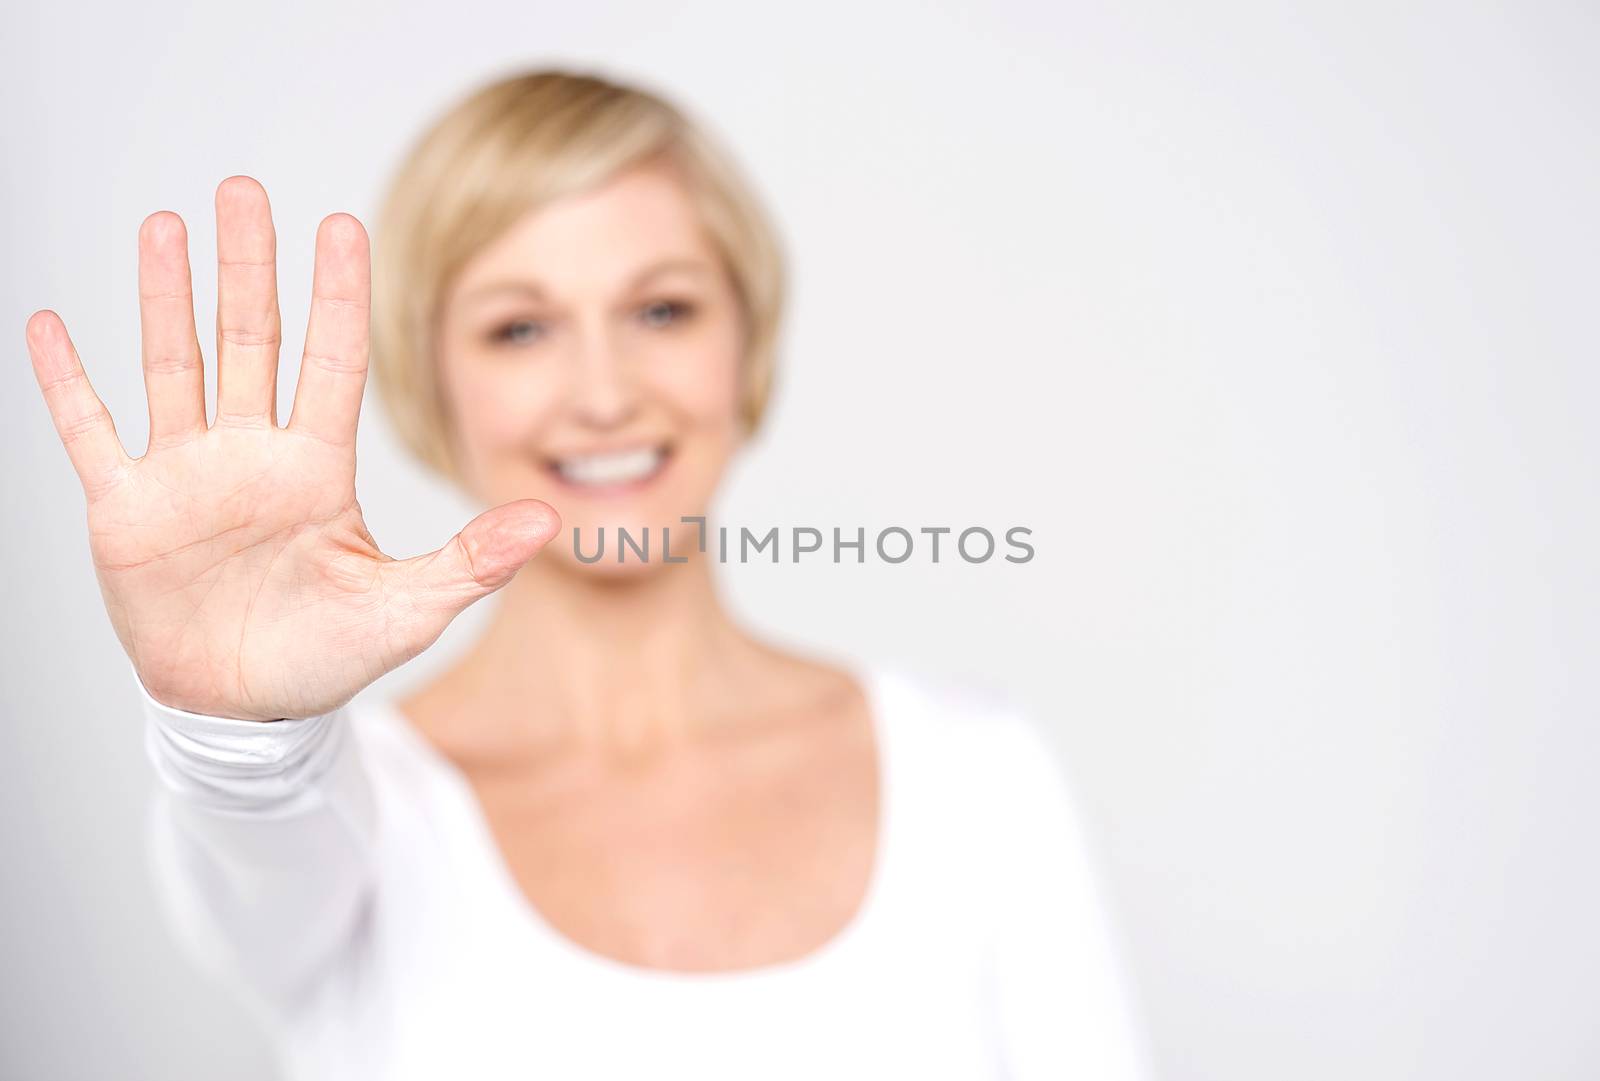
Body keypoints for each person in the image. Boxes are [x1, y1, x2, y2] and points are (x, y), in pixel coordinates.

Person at [24, 68, 1148, 1080]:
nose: (604, 392)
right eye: (520, 329)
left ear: (746, 348)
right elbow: (250, 835)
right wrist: (235, 716)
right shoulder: (339, 819)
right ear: (427, 382)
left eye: (662, 309)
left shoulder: (976, 780)